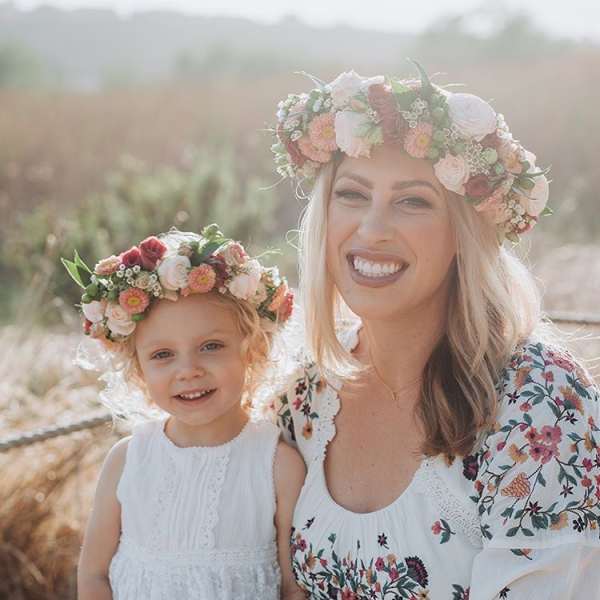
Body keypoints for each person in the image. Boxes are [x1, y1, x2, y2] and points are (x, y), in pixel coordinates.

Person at [270, 65, 600, 598]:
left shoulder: (539, 402)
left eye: (413, 201)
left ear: (463, 234)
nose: (372, 229)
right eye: (352, 194)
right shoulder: (305, 396)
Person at [65, 225, 306, 600]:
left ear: (253, 349)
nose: (188, 370)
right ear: (139, 369)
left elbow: (293, 587)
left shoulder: (277, 466)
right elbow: (94, 574)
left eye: (211, 346)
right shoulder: (127, 460)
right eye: (163, 354)